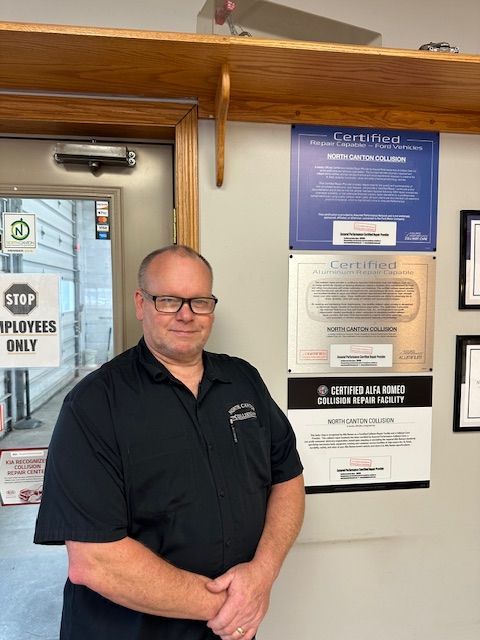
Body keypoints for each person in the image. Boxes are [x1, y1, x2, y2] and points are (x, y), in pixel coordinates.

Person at [34, 244, 304, 640]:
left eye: (199, 301)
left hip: (228, 628)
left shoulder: (243, 381)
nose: (186, 314)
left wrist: (263, 572)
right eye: (168, 300)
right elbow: (94, 561)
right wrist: (232, 605)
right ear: (141, 303)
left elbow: (288, 476)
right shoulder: (94, 404)